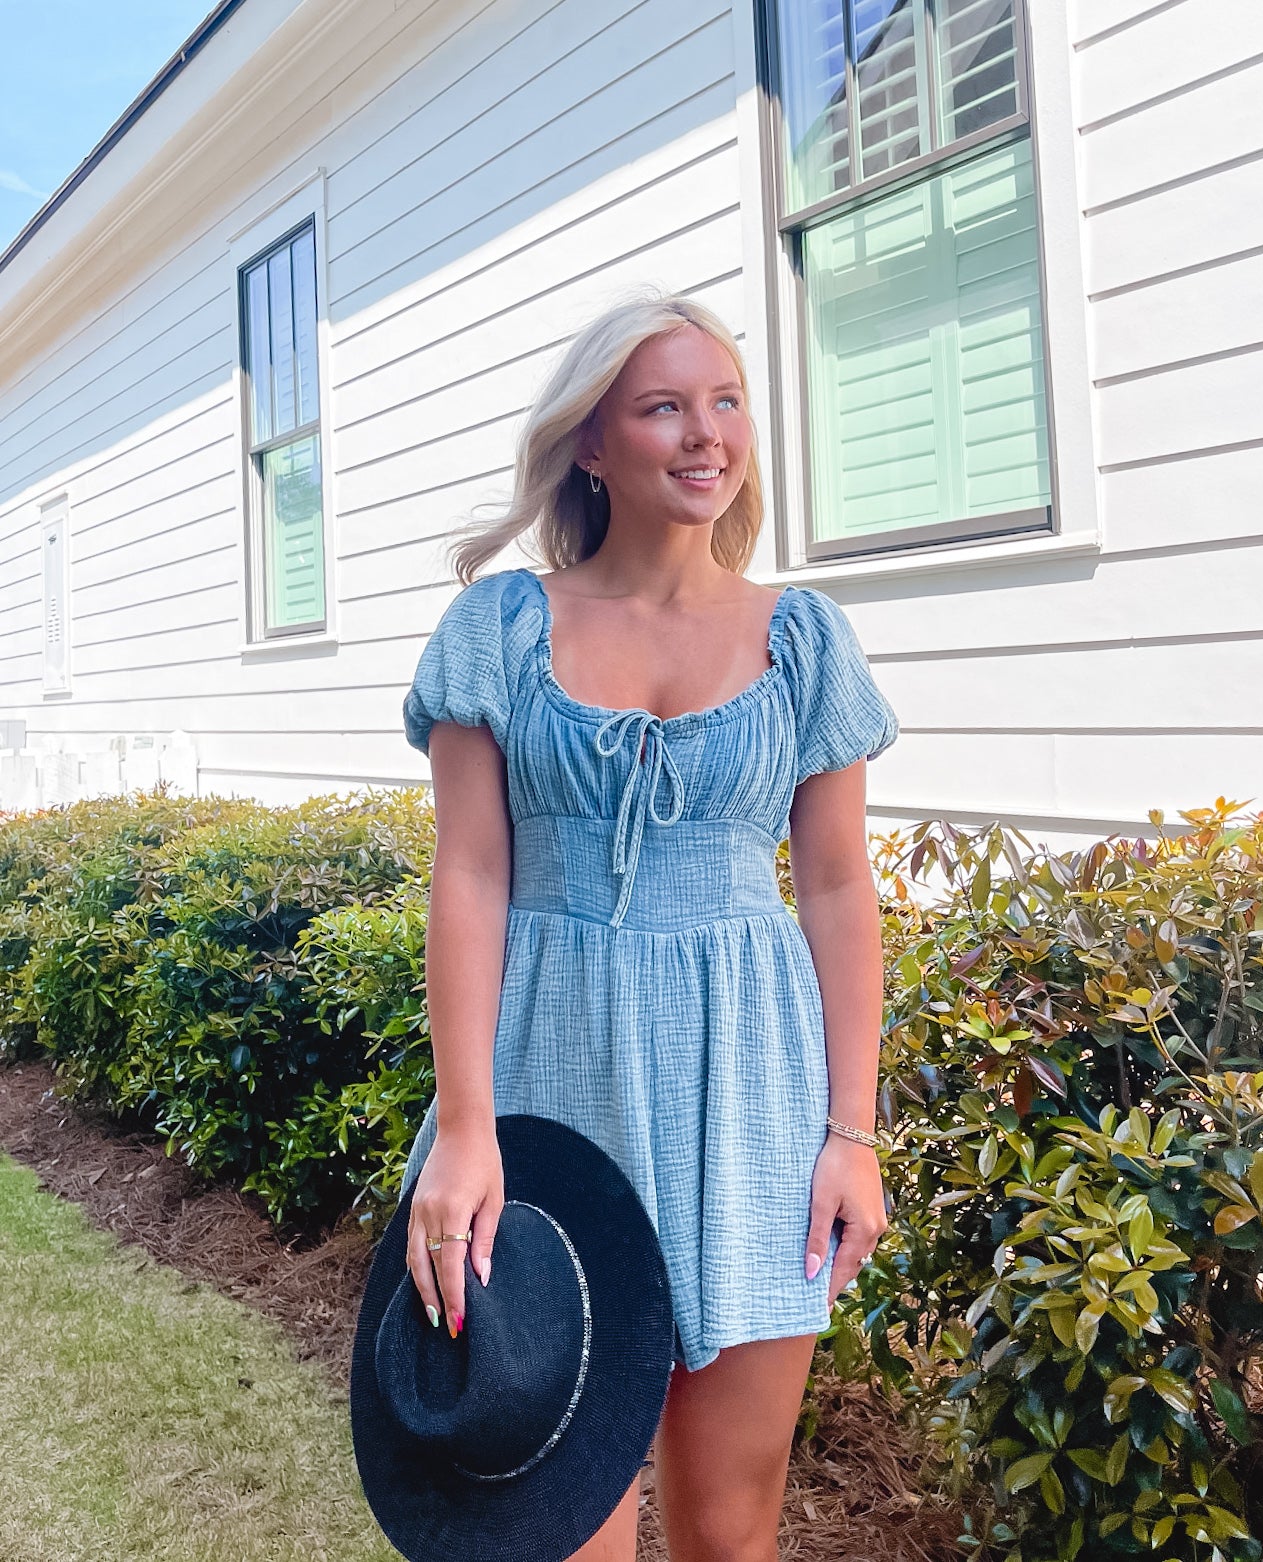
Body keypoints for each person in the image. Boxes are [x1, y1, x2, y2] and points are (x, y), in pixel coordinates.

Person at [397, 290, 899, 1561]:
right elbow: (469, 878)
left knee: (732, 1532)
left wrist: (854, 1134)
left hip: (753, 1105)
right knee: (561, 1529)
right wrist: (464, 1130)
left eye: (724, 401)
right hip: (547, 1100)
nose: (705, 434)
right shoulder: (502, 630)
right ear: (591, 443)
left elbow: (837, 886)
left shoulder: (802, 641)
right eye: (663, 405)